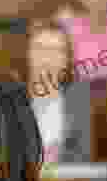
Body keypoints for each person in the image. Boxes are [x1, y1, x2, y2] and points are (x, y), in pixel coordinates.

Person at [25, 20, 97, 164]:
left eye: (56, 50)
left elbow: (84, 155)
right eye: (40, 48)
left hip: (63, 180)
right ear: (28, 54)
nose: (48, 58)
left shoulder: (79, 98)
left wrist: (56, 159)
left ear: (67, 59)